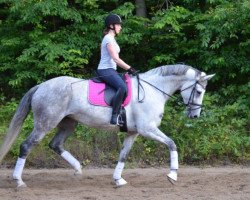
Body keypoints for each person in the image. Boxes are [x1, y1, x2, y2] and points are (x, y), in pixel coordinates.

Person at [97, 13, 137, 125]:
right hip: (105, 70)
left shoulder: (112, 39)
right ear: (111, 26)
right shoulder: (108, 38)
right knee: (122, 86)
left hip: (111, 69)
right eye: (118, 25)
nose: (120, 27)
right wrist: (130, 68)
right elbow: (115, 59)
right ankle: (114, 115)